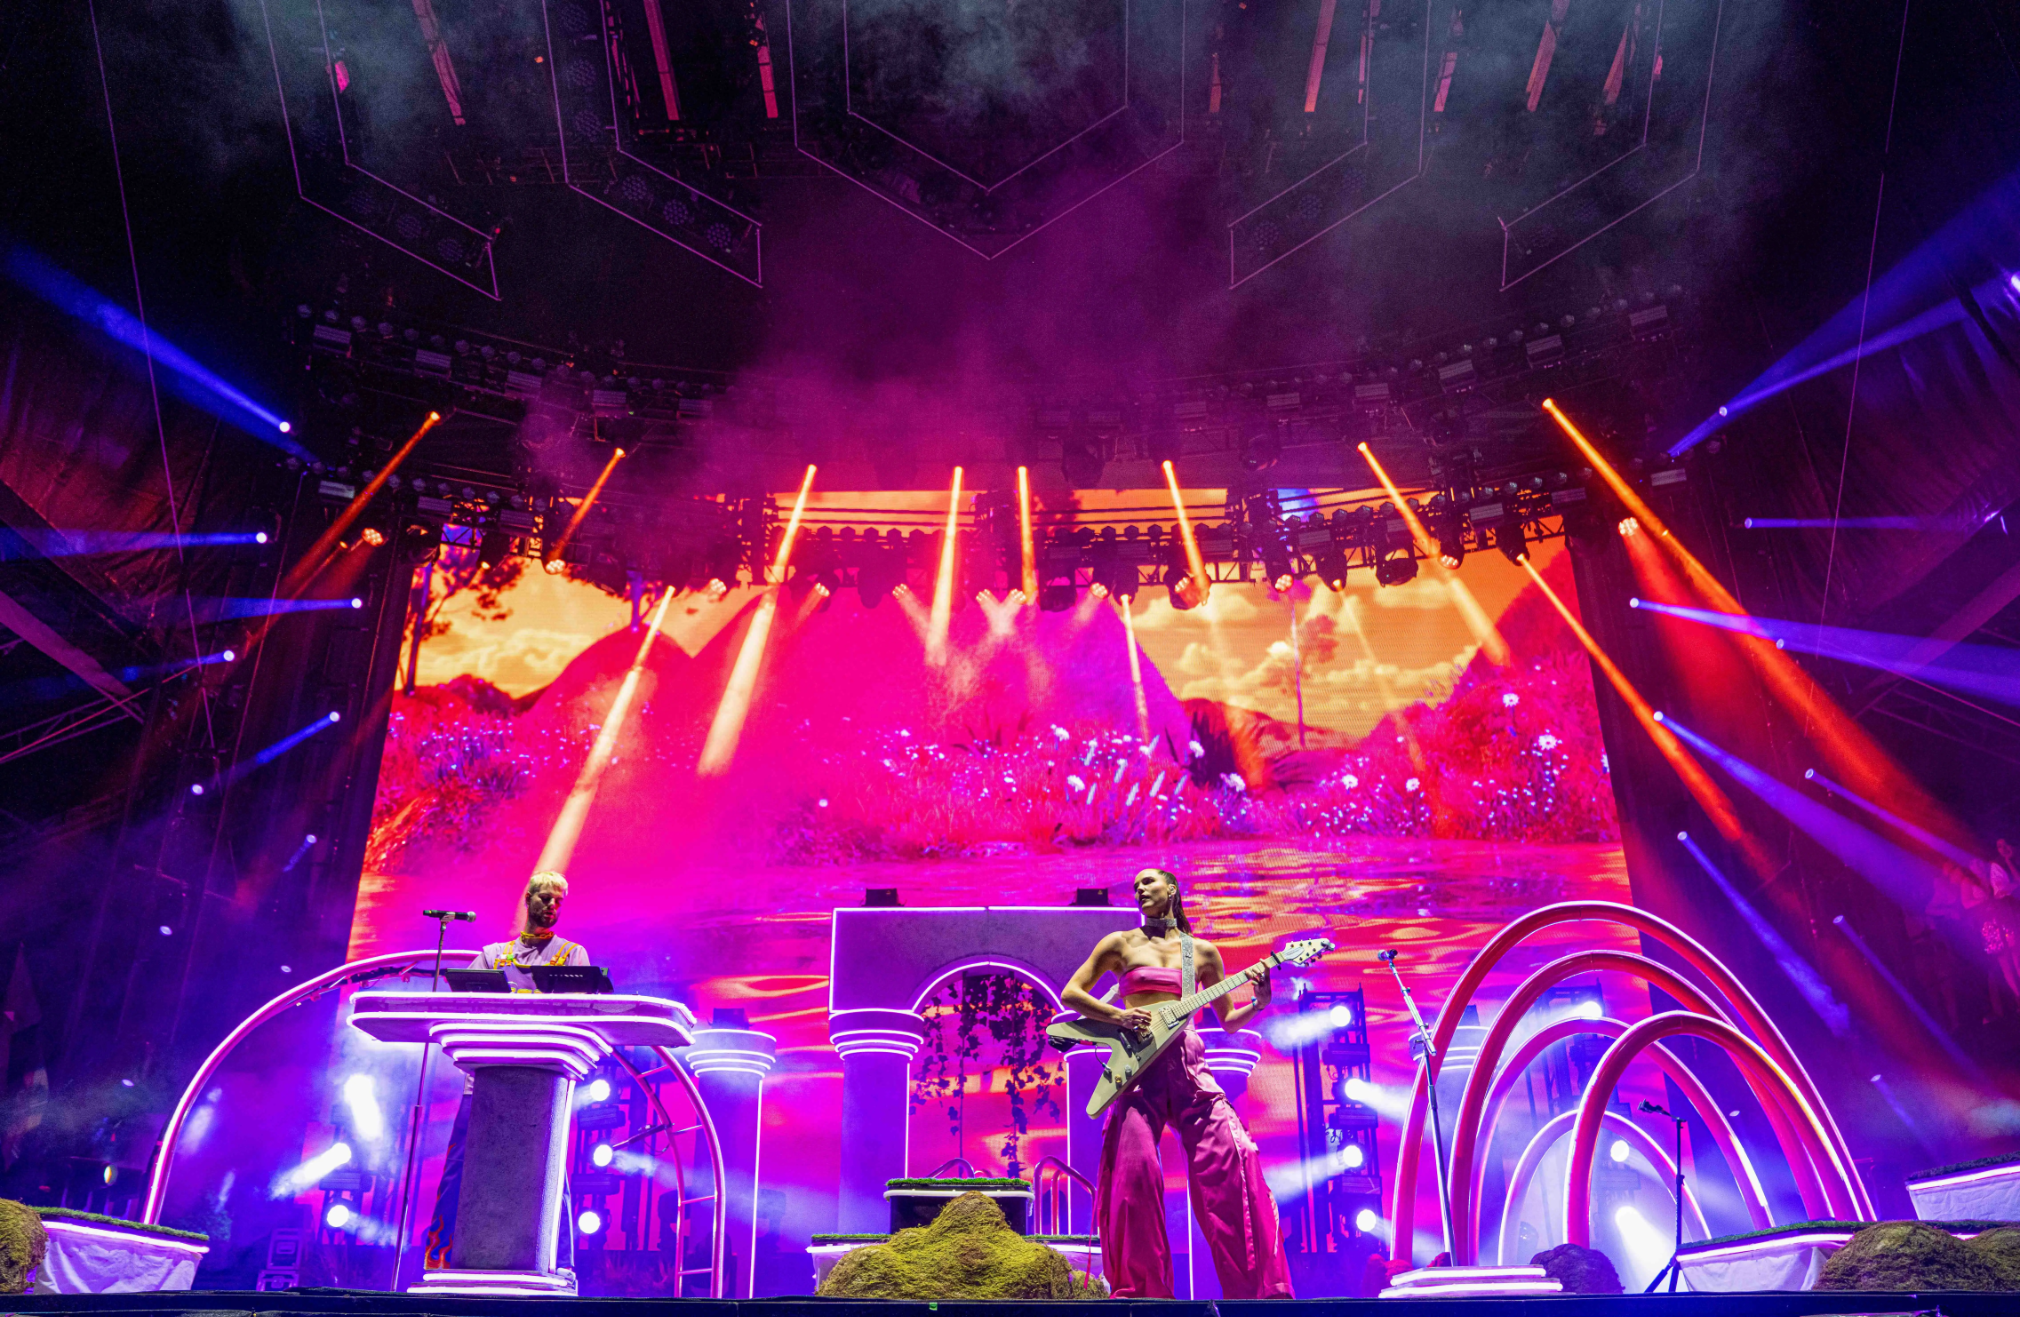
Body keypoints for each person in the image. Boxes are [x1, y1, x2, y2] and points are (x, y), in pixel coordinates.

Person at [1061, 867, 1294, 1300]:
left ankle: (1254, 1296)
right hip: (1138, 1073)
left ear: (1171, 889)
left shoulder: (1202, 953)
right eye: (1134, 886)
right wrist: (1118, 1016)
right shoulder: (1120, 943)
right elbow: (1072, 994)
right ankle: (1144, 1295)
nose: (1139, 889)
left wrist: (1260, 1003)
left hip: (1190, 1069)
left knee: (1235, 1160)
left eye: (1148, 882)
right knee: (1135, 1180)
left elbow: (1227, 1021)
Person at [423, 871, 590, 1272]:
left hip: (543, 1081)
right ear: (528, 899)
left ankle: (557, 1264)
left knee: (549, 1174)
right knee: (460, 1169)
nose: (552, 906)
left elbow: (580, 1011)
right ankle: (441, 1260)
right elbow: (465, 1006)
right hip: (483, 1081)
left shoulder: (572, 954)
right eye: (545, 898)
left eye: (558, 901)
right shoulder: (492, 954)